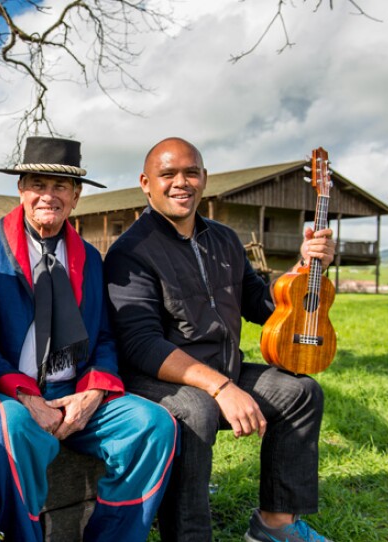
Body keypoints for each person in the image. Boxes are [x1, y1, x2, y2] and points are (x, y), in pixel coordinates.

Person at [104, 137, 336, 542]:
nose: (182, 182)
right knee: (197, 409)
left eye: (191, 173)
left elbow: (265, 306)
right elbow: (140, 344)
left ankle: (274, 526)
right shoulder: (131, 251)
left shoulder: (225, 240)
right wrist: (220, 387)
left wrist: (304, 268)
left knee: (300, 392)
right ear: (146, 182)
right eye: (168, 174)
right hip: (156, 379)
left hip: (222, 371)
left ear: (205, 178)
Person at [0, 136, 177, 542]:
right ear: (21, 190)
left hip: (75, 392)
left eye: (60, 187)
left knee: (154, 425)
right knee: (13, 427)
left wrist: (93, 393)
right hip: (11, 392)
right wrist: (27, 397)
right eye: (38, 184)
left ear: (76, 196)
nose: (49, 195)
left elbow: (104, 337)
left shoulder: (90, 258)